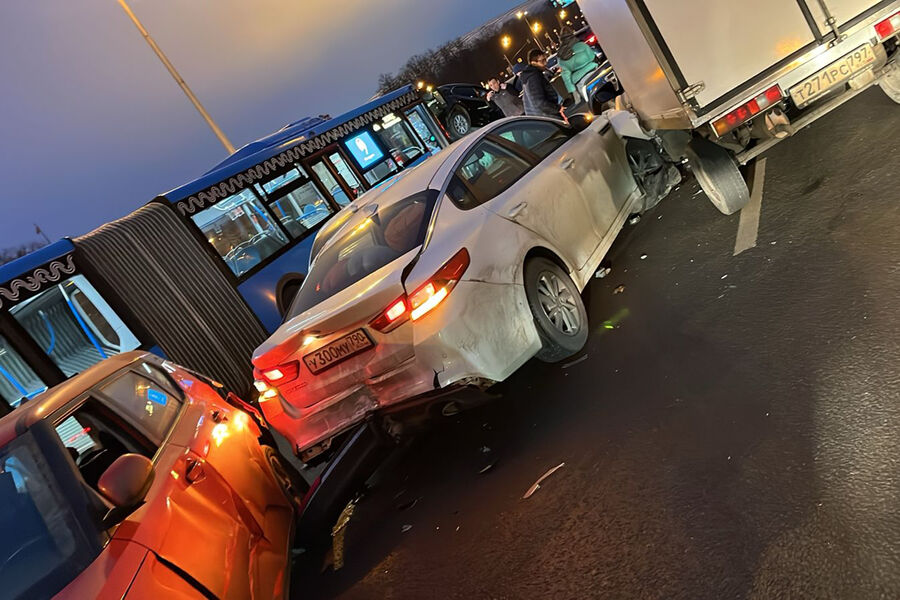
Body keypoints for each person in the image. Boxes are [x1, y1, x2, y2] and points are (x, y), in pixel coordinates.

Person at [557, 28, 599, 103]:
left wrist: (573, 92)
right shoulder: (582, 45)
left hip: (580, 82)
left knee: (593, 103)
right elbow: (592, 57)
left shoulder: (561, 57)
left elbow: (566, 77)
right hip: (593, 73)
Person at [519, 49, 563, 118]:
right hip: (546, 116)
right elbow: (539, 103)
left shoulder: (532, 75)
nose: (545, 63)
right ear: (533, 63)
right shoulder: (533, 77)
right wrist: (557, 108)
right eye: (542, 61)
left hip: (542, 116)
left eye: (545, 59)